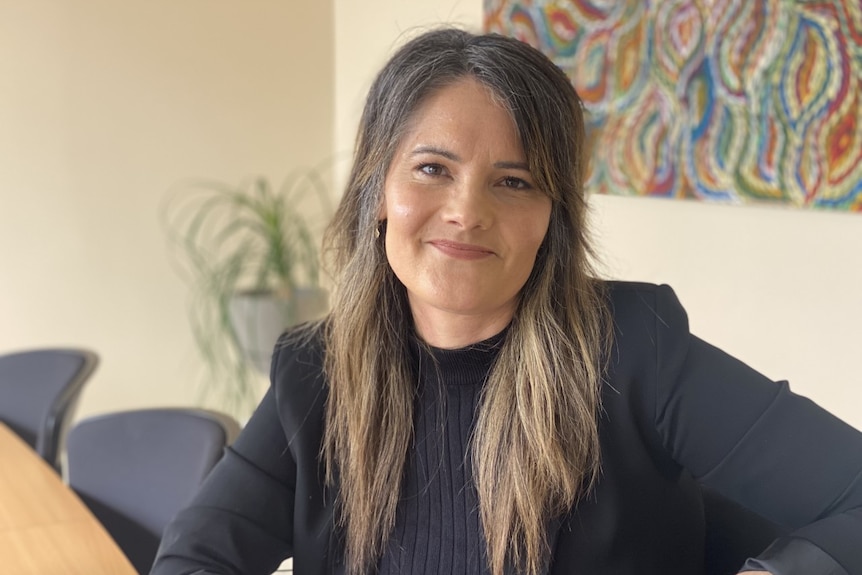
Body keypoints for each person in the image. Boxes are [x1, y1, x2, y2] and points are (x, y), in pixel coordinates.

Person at [151, 28, 862, 575]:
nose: (466, 211)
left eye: (514, 182)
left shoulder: (634, 350)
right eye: (433, 168)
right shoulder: (316, 370)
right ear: (378, 192)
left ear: (553, 215)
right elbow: (196, 555)